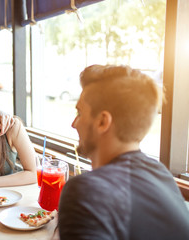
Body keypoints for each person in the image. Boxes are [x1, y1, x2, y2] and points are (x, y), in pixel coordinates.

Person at [58, 65, 189, 239]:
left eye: (80, 112)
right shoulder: (159, 173)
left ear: (102, 122)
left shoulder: (86, 191)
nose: (74, 123)